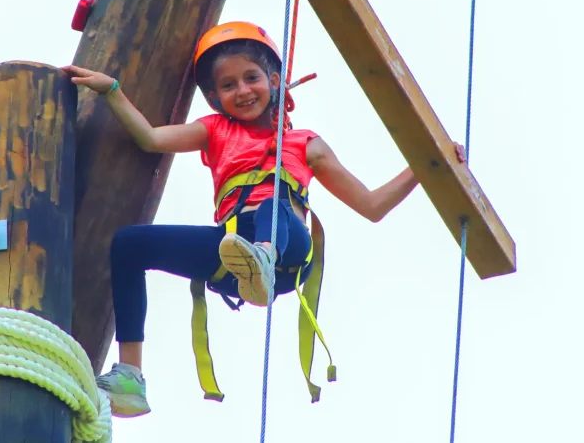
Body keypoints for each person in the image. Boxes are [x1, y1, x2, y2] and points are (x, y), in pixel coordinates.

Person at [61, 21, 466, 418]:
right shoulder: (215, 129)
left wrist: (425, 166)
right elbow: (150, 138)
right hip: (231, 251)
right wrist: (111, 90)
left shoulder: (305, 144)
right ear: (216, 97)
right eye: (228, 85)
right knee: (129, 244)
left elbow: (372, 205)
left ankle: (263, 260)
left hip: (287, 251)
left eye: (251, 77)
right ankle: (131, 374)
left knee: (273, 200)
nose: (242, 90)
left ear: (275, 80)